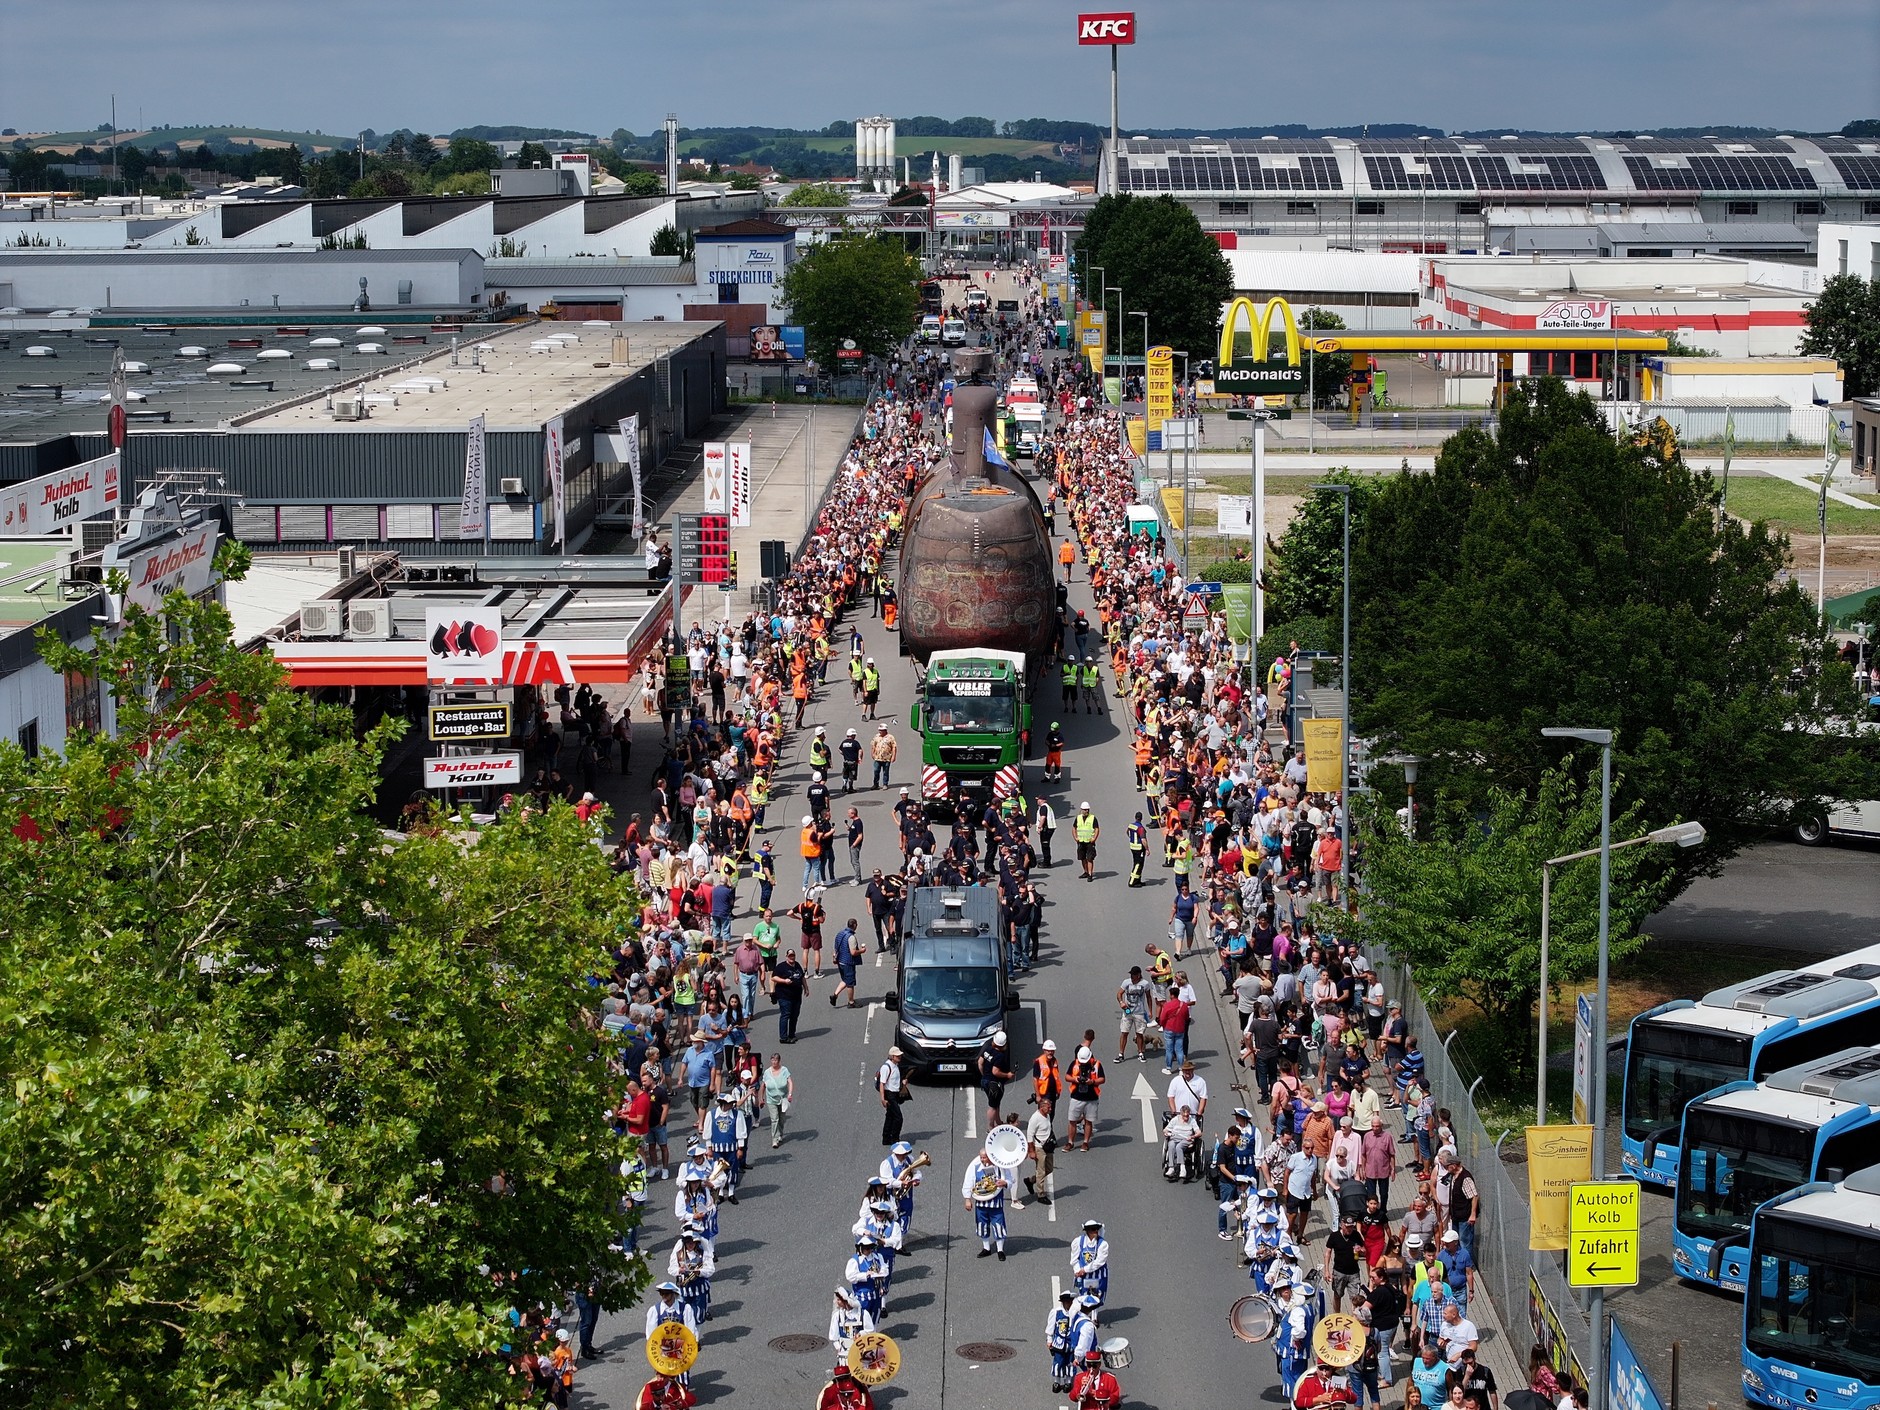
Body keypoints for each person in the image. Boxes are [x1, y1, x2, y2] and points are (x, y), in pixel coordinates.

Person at [962, 1147, 1011, 1259]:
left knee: (998, 1225)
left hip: (996, 1203)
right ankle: (986, 1248)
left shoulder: (1000, 1167)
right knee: (982, 1225)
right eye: (981, 1157)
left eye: (984, 1157)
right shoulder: (975, 1167)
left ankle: (1000, 1250)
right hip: (981, 1204)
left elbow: (1009, 1179)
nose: (982, 1160)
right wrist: (967, 1199)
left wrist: (1004, 1183)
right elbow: (968, 1182)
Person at [1065, 1046, 1105, 1152]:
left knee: (1088, 1121)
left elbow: (1102, 1079)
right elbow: (1067, 1077)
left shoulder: (1097, 1064)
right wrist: (1075, 1079)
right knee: (1072, 1120)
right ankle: (1070, 1142)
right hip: (1076, 1097)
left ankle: (1086, 1142)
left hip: (1091, 1098)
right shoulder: (1074, 1064)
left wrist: (1092, 1082)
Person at [1070, 1218, 1111, 1307]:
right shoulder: (1078, 1242)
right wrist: (1078, 1271)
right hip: (1084, 1276)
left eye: (1096, 1229)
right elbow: (1074, 1259)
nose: (1095, 1231)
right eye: (1093, 1229)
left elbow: (1100, 1261)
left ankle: (1094, 1317)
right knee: (1084, 1296)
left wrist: (1084, 1269)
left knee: (1097, 1296)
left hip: (1098, 1275)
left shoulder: (1103, 1244)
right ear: (1087, 1231)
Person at [979, 1030, 1015, 1129]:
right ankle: (990, 1127)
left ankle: (998, 1122)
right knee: (993, 1106)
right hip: (994, 1084)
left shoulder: (988, 1049)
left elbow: (980, 1062)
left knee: (996, 1102)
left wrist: (984, 1075)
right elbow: (995, 1071)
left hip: (985, 1081)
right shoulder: (1000, 1056)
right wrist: (1007, 1075)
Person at [828, 1284, 873, 1362]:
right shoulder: (837, 1316)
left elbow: (871, 1331)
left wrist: (861, 1334)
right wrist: (839, 1348)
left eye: (839, 1300)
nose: (837, 1302)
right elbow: (834, 1336)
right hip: (845, 1353)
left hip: (862, 1350)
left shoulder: (863, 1314)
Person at [1116, 967, 1153, 1062]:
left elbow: (1149, 997)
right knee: (1124, 1032)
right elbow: (1119, 993)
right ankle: (1121, 1054)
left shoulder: (1145, 984)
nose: (1132, 977)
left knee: (1139, 1033)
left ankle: (1140, 1052)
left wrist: (1150, 1011)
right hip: (1128, 1011)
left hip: (1139, 1012)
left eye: (1133, 975)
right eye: (1131, 975)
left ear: (1138, 975)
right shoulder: (1126, 982)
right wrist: (1121, 1002)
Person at [1025, 1095, 1057, 1205]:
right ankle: (1041, 1194)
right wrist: (1031, 1151)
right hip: (1039, 1148)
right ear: (1042, 1107)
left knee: (1049, 1168)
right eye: (1048, 1107)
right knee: (1041, 1171)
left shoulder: (1046, 1116)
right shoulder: (1035, 1118)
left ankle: (1031, 1181)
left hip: (1048, 1146)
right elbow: (1030, 1135)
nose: (1050, 1109)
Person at [1047, 1288, 1079, 1394]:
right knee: (1058, 1363)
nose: (1068, 1304)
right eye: (1066, 1302)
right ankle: (1057, 1382)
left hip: (1071, 1345)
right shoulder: (1056, 1312)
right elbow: (1051, 1327)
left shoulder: (1075, 1313)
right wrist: (1049, 1339)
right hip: (1059, 1344)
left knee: (1070, 1364)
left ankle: (1068, 1382)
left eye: (1070, 1302)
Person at [772, 949, 806, 1043]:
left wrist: (806, 988)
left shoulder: (797, 965)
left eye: (793, 955)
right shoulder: (781, 967)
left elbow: (802, 977)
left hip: (796, 995)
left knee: (794, 1015)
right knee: (785, 1015)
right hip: (784, 996)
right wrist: (784, 981)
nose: (792, 957)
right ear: (786, 956)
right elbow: (774, 977)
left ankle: (792, 1035)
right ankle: (783, 1037)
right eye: (790, 956)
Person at [878, 1046, 909, 1146]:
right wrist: (883, 1099)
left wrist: (903, 1082)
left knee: (890, 1116)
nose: (900, 1057)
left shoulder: (895, 1065)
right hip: (889, 1095)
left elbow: (894, 1080)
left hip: (895, 1094)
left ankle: (886, 1138)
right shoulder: (886, 1067)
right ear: (892, 1056)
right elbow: (882, 1084)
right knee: (898, 1117)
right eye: (897, 1055)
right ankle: (894, 1139)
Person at [762, 1051, 794, 1147]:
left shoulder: (784, 1070)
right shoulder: (767, 1072)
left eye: (776, 1060)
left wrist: (790, 1094)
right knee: (774, 1119)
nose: (774, 1062)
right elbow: (763, 1086)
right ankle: (774, 1139)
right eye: (772, 1060)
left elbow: (790, 1082)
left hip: (783, 1098)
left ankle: (780, 1133)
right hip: (771, 1099)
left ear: (779, 1061)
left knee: (782, 1118)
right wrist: (761, 1098)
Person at [830, 918, 862, 1009]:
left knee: (845, 980)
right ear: (854, 925)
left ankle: (835, 995)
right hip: (848, 962)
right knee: (850, 983)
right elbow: (853, 952)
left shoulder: (840, 934)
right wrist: (862, 951)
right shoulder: (851, 937)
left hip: (840, 961)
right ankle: (851, 1002)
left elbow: (836, 947)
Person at [1072, 802, 1100, 881]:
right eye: (1085, 810)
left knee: (1089, 858)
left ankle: (1090, 874)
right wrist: (1075, 837)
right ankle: (1086, 872)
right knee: (1082, 858)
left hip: (1089, 842)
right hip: (1081, 841)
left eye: (1087, 810)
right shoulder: (1078, 818)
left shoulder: (1092, 818)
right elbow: (1074, 828)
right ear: (1081, 810)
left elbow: (1096, 829)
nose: (1086, 811)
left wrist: (1094, 838)